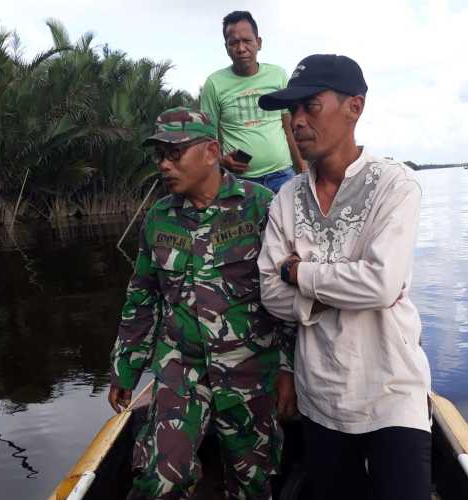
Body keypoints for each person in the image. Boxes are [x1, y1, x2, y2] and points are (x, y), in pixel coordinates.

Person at [257, 55, 432, 500]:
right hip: (321, 396)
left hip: (391, 389)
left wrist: (301, 272)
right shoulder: (286, 199)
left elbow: (381, 284)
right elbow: (271, 293)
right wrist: (338, 288)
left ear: (354, 107)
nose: (296, 120)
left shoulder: (395, 186)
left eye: (309, 106)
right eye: (291, 111)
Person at [108, 107, 296, 500]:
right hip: (182, 367)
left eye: (174, 153)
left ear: (211, 151)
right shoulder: (159, 218)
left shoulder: (261, 206)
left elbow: (287, 299)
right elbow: (142, 296)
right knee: (159, 479)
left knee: (253, 485)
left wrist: (288, 368)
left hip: (250, 369)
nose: (163, 164)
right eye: (158, 154)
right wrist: (125, 369)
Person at [200, 10, 306, 193]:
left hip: (282, 176)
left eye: (247, 41)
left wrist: (302, 167)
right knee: (240, 224)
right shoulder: (214, 84)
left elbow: (288, 126)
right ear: (226, 47)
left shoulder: (278, 75)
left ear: (258, 43)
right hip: (239, 181)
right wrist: (221, 161)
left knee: (287, 222)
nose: (241, 48)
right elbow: (206, 138)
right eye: (233, 42)